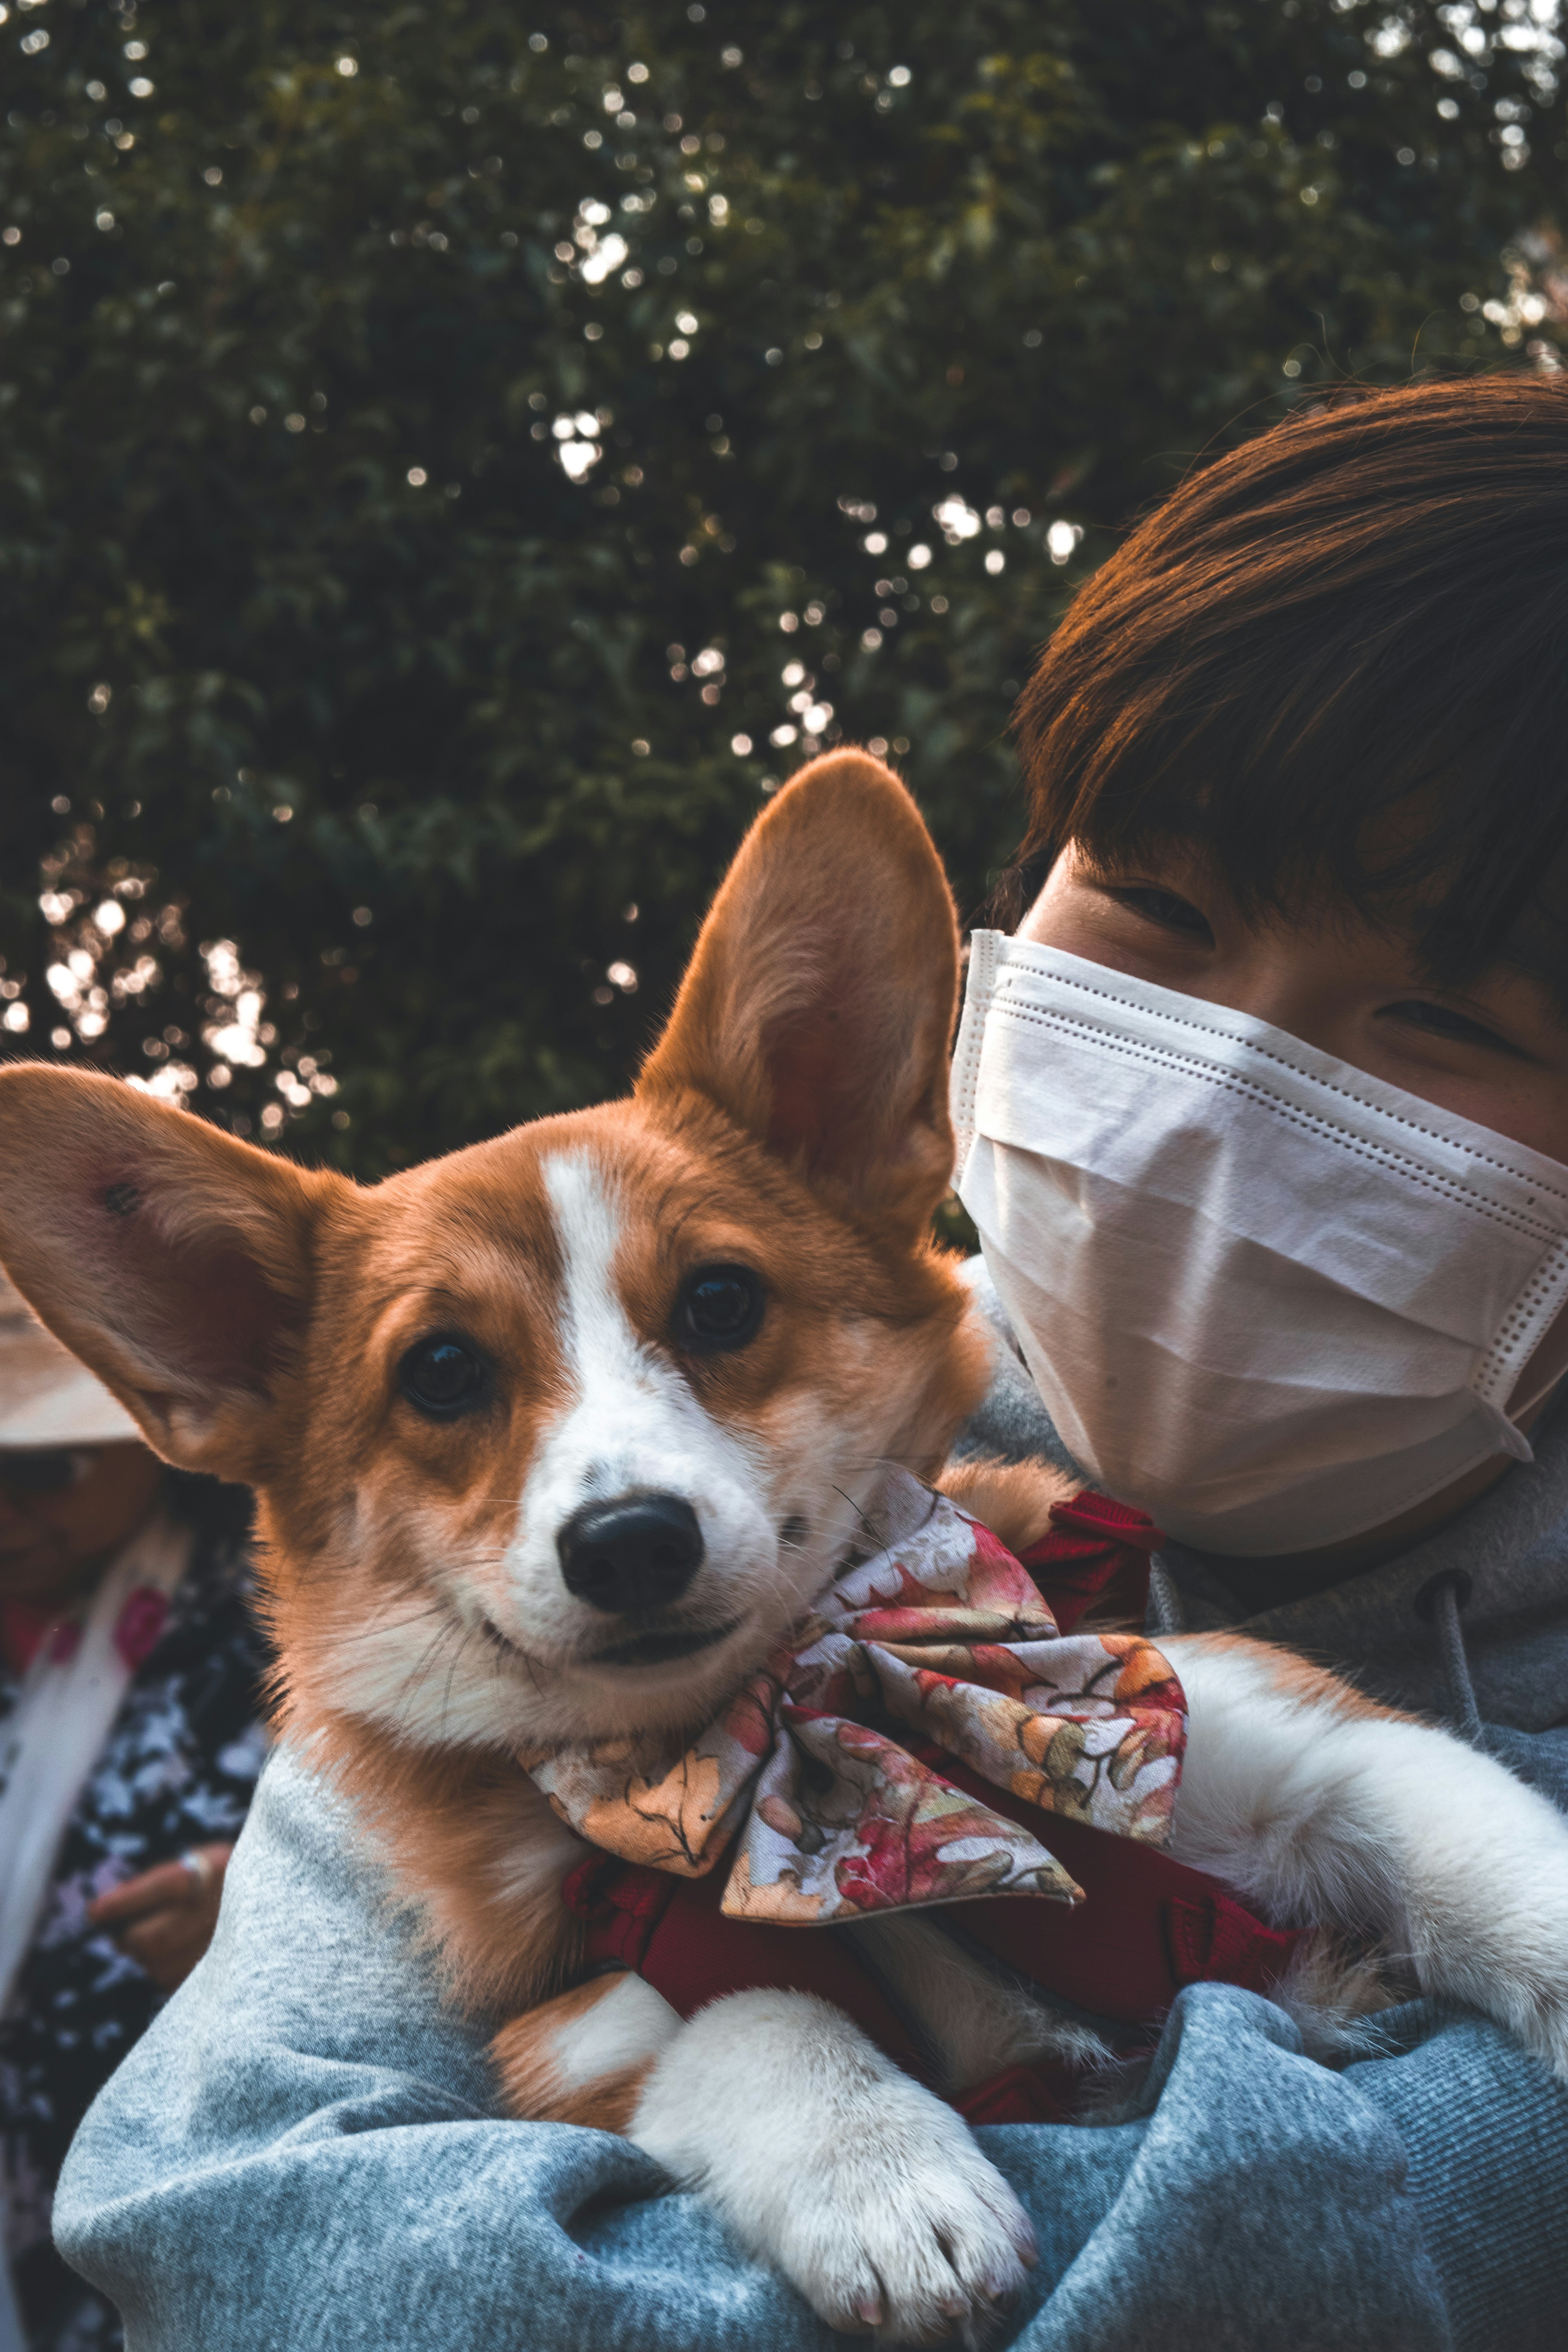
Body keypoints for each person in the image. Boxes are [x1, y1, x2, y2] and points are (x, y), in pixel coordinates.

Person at [49, 373, 1568, 2349]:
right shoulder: (464, 1727)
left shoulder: (965, 1569)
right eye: (1166, 908)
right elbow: (228, 2226)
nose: (1224, 1094)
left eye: (1442, 1013)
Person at [0, 1280, 265, 2352]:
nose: (5, 1516)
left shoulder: (269, 1622)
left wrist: (248, 1907)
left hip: (159, 2199)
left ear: (144, 1445)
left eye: (43, 1471)